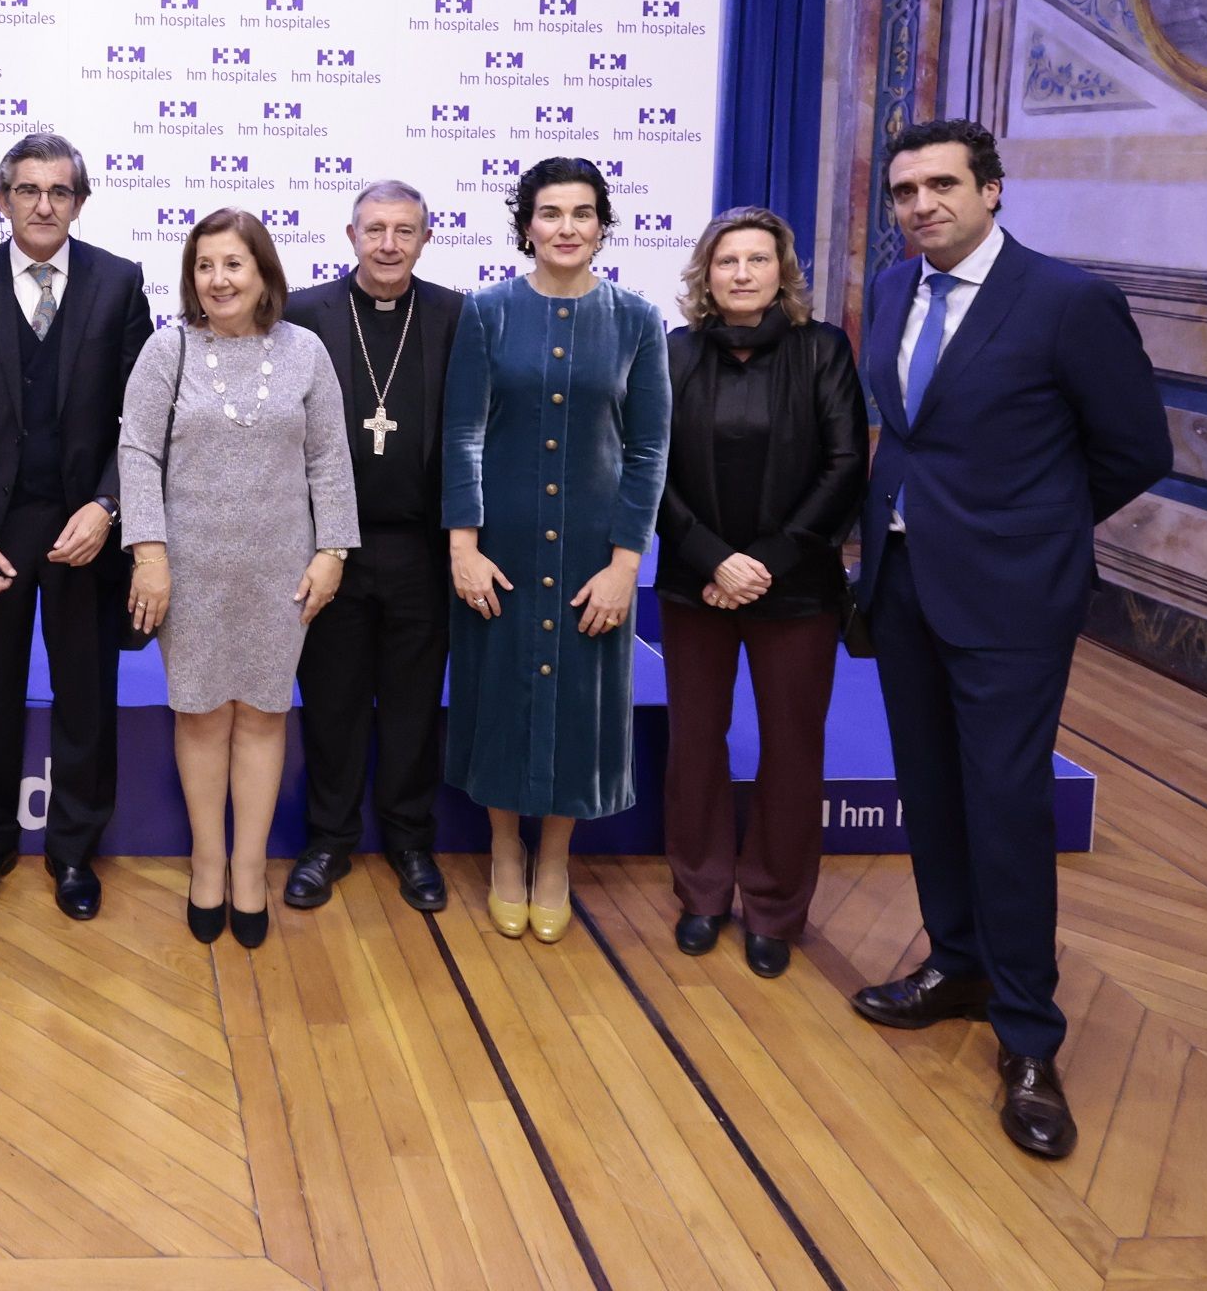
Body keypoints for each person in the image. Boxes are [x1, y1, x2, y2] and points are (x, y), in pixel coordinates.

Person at [852, 118, 1170, 1162]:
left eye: (942, 184)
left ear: (992, 189)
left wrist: (1027, 528)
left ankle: (1030, 1037)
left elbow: (1134, 448)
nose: (921, 203)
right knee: (932, 792)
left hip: (1011, 603)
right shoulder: (896, 291)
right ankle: (956, 964)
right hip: (904, 589)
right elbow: (910, 432)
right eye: (904, 189)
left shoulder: (1069, 301)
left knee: (1007, 804)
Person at [443, 157, 669, 944]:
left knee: (579, 701)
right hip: (497, 546)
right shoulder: (488, 312)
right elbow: (463, 433)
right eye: (550, 213)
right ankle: (506, 849)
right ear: (526, 226)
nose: (566, 227)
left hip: (593, 556)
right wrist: (462, 548)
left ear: (603, 223)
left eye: (581, 213)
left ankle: (556, 860)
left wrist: (625, 567)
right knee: (499, 692)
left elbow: (648, 450)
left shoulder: (638, 320)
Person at [118, 209, 357, 950]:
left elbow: (329, 459)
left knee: (261, 715)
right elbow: (137, 454)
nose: (217, 279)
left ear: (263, 274)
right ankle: (208, 866)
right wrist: (150, 555)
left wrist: (333, 552)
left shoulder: (306, 352)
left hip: (282, 572)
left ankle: (250, 870)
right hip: (187, 573)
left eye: (233, 264)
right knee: (199, 715)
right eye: (204, 266)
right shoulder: (168, 351)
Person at [0, 132, 152, 922]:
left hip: (87, 526)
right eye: (28, 190)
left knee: (85, 696)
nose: (44, 204)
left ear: (81, 202)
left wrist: (108, 505)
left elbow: (143, 419)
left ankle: (74, 853)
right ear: (2, 200)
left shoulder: (121, 284)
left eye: (60, 191)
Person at [655, 207, 865, 979]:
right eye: (726, 261)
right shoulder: (673, 354)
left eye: (757, 259)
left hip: (796, 587)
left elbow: (845, 466)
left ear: (783, 272)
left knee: (791, 749)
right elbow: (650, 467)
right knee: (695, 744)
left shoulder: (822, 351)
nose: (742, 273)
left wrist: (764, 562)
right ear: (705, 276)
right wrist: (714, 559)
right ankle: (703, 896)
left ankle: (775, 908)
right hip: (695, 585)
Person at [281, 181, 462, 915]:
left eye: (404, 230)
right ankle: (328, 840)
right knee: (333, 702)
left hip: (422, 546)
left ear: (426, 237)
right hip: (330, 548)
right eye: (375, 229)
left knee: (415, 704)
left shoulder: (456, 315)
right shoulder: (304, 314)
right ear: (350, 234)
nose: (389, 244)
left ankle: (411, 840)